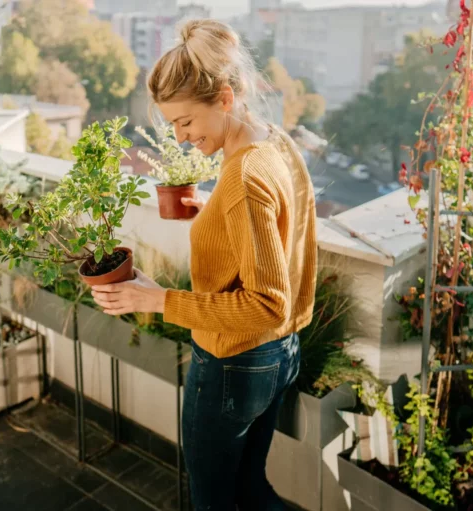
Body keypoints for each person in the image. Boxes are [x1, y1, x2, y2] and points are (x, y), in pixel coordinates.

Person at [90, 18, 318, 511]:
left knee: (214, 500)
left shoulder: (244, 179)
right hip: (280, 355)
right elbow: (283, 219)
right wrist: (212, 211)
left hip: (235, 362)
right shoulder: (272, 140)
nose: (179, 136)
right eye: (172, 125)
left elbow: (265, 305)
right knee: (250, 488)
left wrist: (155, 299)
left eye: (186, 122)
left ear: (225, 99)